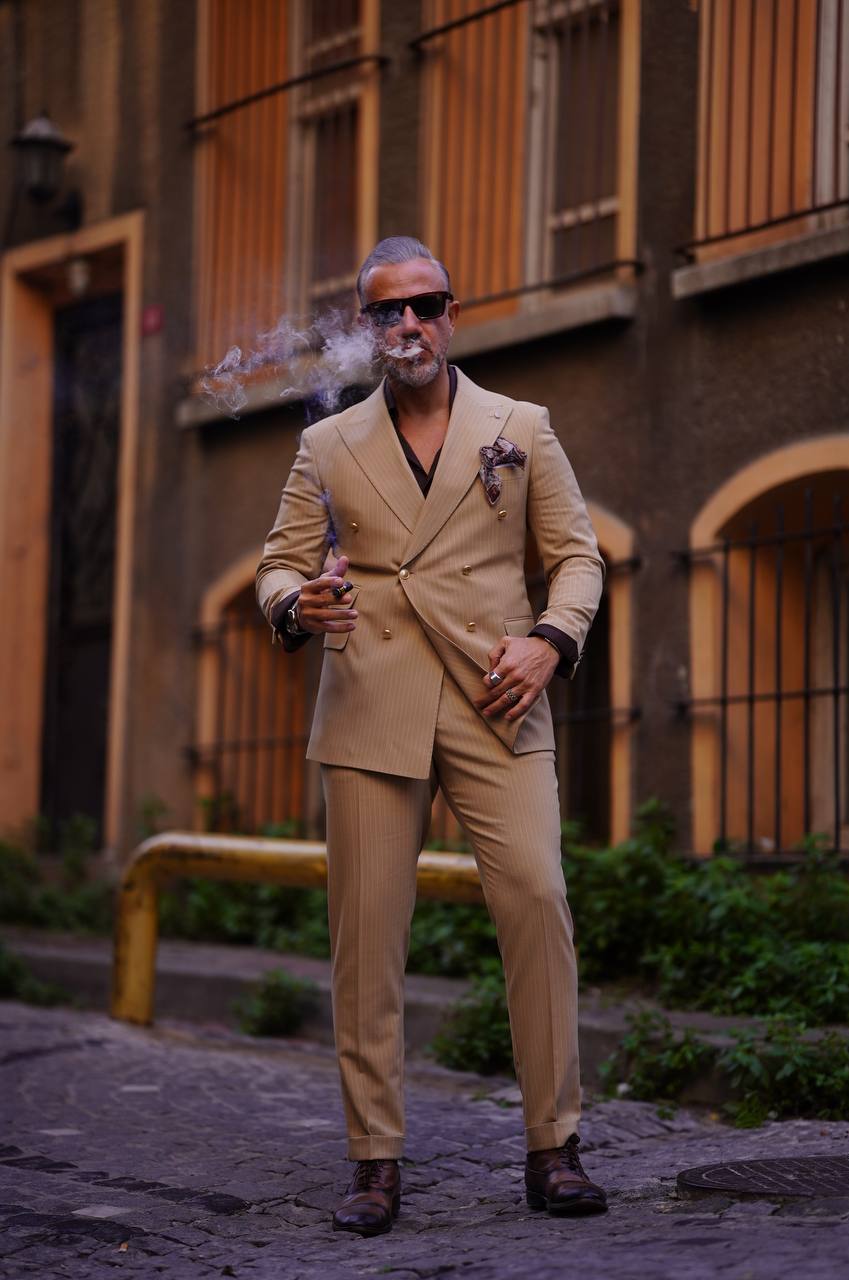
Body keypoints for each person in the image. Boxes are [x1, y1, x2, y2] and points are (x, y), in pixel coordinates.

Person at [256, 236, 606, 1237]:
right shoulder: (328, 444)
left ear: (453, 314)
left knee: (537, 898)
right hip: (371, 700)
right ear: (366, 326)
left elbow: (576, 558)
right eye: (386, 311)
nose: (406, 324)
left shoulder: (519, 426)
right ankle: (374, 1161)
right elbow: (278, 564)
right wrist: (296, 605)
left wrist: (550, 640)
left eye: (424, 305)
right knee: (366, 941)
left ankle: (554, 1146)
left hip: (499, 696)